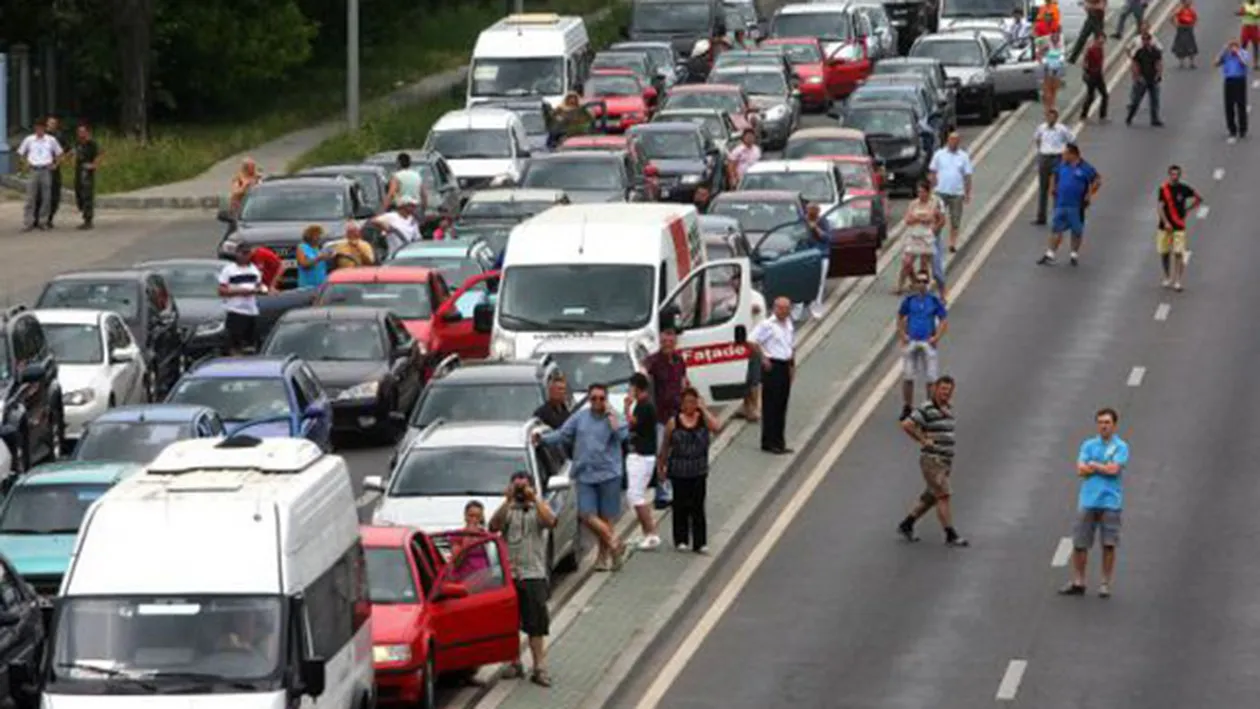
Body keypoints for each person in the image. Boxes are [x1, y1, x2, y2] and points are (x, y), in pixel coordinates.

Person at [534, 383, 629, 572]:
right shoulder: (580, 417)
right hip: (585, 473)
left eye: (601, 398)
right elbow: (562, 434)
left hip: (609, 473)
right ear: (588, 399)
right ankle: (614, 542)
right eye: (593, 398)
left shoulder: (614, 416)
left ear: (606, 399)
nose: (597, 402)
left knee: (605, 517)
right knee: (586, 514)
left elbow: (623, 436)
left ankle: (604, 558)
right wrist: (543, 439)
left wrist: (613, 421)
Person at [489, 471, 558, 687]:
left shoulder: (538, 508)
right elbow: (493, 526)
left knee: (536, 625)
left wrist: (534, 498)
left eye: (523, 486)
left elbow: (551, 521)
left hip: (533, 574)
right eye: (517, 487)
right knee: (510, 624)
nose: (520, 491)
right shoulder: (508, 509)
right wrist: (507, 501)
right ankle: (514, 662)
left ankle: (539, 667)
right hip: (511, 574)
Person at [1059, 408, 1128, 598]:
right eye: (1100, 422)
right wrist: (1102, 467)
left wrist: (1095, 466)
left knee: (1108, 543)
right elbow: (1081, 470)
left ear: (1114, 425)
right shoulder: (1088, 445)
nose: (1103, 426)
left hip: (1110, 501)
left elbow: (1114, 470)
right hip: (1089, 499)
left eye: (1107, 422)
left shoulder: (1121, 446)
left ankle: (1105, 583)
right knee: (1080, 542)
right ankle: (1079, 581)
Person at [897, 375, 967, 547]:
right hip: (932, 460)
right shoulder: (927, 408)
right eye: (943, 389)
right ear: (935, 389)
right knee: (943, 495)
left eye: (949, 390)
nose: (946, 393)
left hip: (944, 461)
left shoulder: (947, 409)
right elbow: (907, 424)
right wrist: (922, 439)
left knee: (931, 496)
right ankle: (950, 534)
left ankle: (907, 523)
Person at [657, 387, 719, 553]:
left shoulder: (702, 420)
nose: (689, 406)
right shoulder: (673, 422)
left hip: (698, 470)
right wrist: (661, 467)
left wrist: (704, 409)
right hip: (679, 470)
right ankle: (681, 539)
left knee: (698, 506)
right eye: (686, 402)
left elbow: (716, 427)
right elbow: (665, 446)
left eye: (693, 402)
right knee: (680, 506)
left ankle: (700, 542)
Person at [644, 326, 689, 507]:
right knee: (661, 453)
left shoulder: (679, 360)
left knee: (676, 453)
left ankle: (676, 490)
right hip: (660, 415)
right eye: (664, 342)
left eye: (671, 341)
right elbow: (643, 379)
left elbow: (684, 381)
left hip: (677, 413)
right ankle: (662, 494)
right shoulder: (653, 361)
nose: (667, 344)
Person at [1038, 143, 1101, 267]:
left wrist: (1089, 194)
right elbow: (1053, 175)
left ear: (1073, 154)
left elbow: (1097, 180)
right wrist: (1053, 187)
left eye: (1065, 154)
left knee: (1076, 230)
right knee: (1056, 229)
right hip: (1061, 203)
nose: (1063, 156)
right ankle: (1050, 254)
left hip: (1077, 206)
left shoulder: (1085, 168)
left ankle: (1074, 254)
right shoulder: (1062, 166)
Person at [897, 271, 948, 422]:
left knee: (931, 377)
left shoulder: (933, 301)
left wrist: (936, 337)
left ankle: (929, 408)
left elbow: (943, 320)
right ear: (915, 284)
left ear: (928, 284)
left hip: (927, 342)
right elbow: (900, 316)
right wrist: (902, 335)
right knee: (907, 375)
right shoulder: (909, 301)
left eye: (924, 281)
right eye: (919, 281)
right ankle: (907, 406)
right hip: (912, 341)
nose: (921, 284)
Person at [750, 296, 795, 455]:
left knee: (782, 404)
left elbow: (790, 346)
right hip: (772, 365)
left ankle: (779, 441)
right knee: (771, 404)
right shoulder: (767, 325)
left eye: (787, 308)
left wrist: (792, 367)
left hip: (785, 365)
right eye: (781, 308)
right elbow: (752, 341)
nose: (784, 311)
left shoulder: (789, 324)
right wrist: (763, 358)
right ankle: (769, 441)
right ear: (775, 308)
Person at [623, 373, 661, 550]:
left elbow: (632, 424)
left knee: (635, 495)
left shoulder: (644, 406)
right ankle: (647, 533)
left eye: (631, 387)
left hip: (642, 456)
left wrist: (626, 407)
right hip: (641, 455)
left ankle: (651, 533)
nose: (629, 391)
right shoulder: (644, 405)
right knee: (635, 495)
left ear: (637, 388)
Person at [1155, 165, 1202, 291]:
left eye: (1177, 174)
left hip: (1179, 225)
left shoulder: (1184, 188)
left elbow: (1198, 198)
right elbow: (1160, 207)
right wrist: (1166, 222)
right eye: (1172, 174)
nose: (1175, 176)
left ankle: (1178, 281)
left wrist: (1188, 210)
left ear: (1180, 175)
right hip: (1164, 226)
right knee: (1164, 253)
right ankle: (1167, 277)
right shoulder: (1163, 188)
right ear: (1169, 175)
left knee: (1178, 253)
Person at [927, 131, 973, 253]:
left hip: (957, 194)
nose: (954, 142)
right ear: (947, 140)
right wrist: (932, 189)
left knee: (955, 219)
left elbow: (967, 176)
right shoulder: (939, 154)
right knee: (937, 218)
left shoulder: (963, 156)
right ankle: (935, 241)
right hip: (940, 192)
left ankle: (952, 243)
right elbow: (932, 172)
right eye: (951, 140)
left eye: (956, 140)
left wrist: (967, 193)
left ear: (959, 142)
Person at [217, 243, 266, 355]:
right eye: (243, 253)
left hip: (251, 311)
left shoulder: (254, 270)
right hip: (236, 311)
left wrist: (261, 290)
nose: (245, 256)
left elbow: (259, 286)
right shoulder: (229, 270)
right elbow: (222, 290)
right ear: (237, 254)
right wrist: (242, 291)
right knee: (234, 344)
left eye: (248, 253)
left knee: (250, 345)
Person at [17, 119, 63, 232]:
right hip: (33, 170)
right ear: (35, 128)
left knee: (46, 197)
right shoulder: (29, 139)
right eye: (37, 128)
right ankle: (28, 222)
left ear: (44, 128)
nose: (39, 130)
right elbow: (20, 153)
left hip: (46, 170)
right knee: (30, 198)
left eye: (42, 128)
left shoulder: (51, 140)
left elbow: (60, 153)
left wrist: (56, 164)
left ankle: (43, 221)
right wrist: (25, 163)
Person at [898, 181, 943, 294]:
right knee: (907, 262)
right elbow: (908, 220)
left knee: (923, 263)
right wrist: (921, 219)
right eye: (918, 192)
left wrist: (934, 230)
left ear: (928, 192)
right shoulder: (913, 204)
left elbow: (941, 219)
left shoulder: (933, 204)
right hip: (913, 234)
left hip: (926, 236)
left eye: (922, 192)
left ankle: (923, 287)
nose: (920, 194)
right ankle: (903, 284)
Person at [1033, 109, 1075, 225]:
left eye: (1053, 117)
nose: (1050, 119)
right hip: (1044, 157)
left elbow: (1072, 140)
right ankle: (1041, 217)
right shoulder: (1041, 128)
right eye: (1048, 117)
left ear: (1056, 118)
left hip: (1057, 158)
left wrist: (1066, 155)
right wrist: (1041, 151)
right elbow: (1037, 139)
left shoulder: (1062, 129)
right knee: (1043, 188)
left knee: (1057, 188)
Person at [796, 203, 830, 320]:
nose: (812, 213)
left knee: (819, 283)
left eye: (815, 211)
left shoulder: (823, 221)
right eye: (810, 210)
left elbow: (827, 238)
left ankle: (816, 308)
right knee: (801, 282)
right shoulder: (802, 220)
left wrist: (816, 227)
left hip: (821, 256)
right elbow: (796, 235)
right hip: (804, 255)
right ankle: (798, 310)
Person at [1126, 30, 1165, 127]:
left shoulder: (1155, 52)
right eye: (1144, 40)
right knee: (1136, 100)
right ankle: (1130, 117)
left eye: (1147, 40)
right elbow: (1135, 65)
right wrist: (1137, 77)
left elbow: (1159, 63)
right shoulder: (1139, 52)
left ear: (1150, 41)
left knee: (1155, 100)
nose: (1145, 42)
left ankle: (1154, 119)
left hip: (1153, 78)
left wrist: (1159, 75)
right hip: (1142, 78)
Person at [1217, 40, 1251, 140]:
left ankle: (1242, 130)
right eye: (1230, 46)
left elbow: (1244, 64)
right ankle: (1232, 129)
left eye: (1234, 45)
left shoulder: (1244, 53)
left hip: (1240, 80)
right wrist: (1223, 52)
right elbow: (1216, 63)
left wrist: (1238, 54)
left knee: (1241, 105)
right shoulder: (1226, 55)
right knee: (1229, 106)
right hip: (1229, 81)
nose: (1232, 48)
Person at [72, 123, 102, 230]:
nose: (81, 134)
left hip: (87, 171)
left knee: (87, 195)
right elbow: (75, 153)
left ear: (87, 132)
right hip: (78, 170)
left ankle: (88, 220)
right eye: (79, 132)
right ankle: (83, 210)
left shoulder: (92, 143)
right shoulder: (78, 143)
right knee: (78, 192)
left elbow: (99, 154)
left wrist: (94, 165)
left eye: (83, 131)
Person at [1080, 33, 1111, 122]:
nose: (1102, 41)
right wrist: (1086, 73)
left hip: (1098, 75)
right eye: (1101, 39)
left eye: (1104, 40)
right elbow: (1084, 62)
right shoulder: (1091, 49)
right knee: (1091, 96)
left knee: (1105, 95)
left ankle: (1102, 116)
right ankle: (1083, 115)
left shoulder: (1100, 49)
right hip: (1091, 75)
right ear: (1096, 39)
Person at [1037, 31, 1066, 109]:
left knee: (1054, 91)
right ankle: (1049, 107)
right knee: (1048, 91)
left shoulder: (1060, 46)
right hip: (1048, 71)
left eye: (1057, 37)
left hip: (1056, 72)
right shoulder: (1047, 46)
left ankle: (1051, 106)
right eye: (1054, 36)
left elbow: (1061, 60)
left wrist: (1062, 75)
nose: (1056, 38)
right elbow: (1040, 55)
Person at [1171, 0, 1199, 69]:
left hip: (1188, 28)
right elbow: (1172, 17)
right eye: (1187, 1)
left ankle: (1192, 63)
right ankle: (1181, 62)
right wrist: (1176, 25)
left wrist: (1192, 24)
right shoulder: (1180, 10)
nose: (1189, 2)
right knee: (1180, 45)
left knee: (1191, 45)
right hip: (1181, 28)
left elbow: (1195, 18)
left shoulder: (1191, 10)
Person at [1241, 1, 1260, 67]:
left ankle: (1255, 63)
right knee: (1244, 44)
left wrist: (1249, 12)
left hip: (1254, 27)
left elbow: (1258, 14)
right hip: (1246, 26)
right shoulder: (1245, 5)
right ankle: (1243, 61)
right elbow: (1242, 12)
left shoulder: (1258, 5)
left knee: (1256, 45)